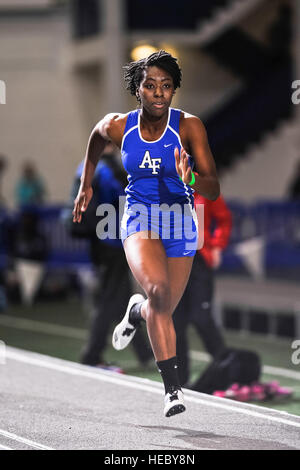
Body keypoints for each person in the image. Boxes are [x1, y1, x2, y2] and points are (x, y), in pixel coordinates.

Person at [73, 50, 220, 417]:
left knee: (162, 308)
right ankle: (172, 390)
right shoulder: (120, 126)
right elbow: (95, 137)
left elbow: (213, 188)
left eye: (166, 87)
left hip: (180, 222)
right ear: (137, 89)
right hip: (139, 217)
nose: (158, 93)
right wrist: (85, 185)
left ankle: (135, 312)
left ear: (173, 91)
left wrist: (188, 177)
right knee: (157, 290)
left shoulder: (189, 127)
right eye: (151, 85)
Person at [71, 144, 153, 369]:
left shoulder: (86, 167)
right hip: (113, 239)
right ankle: (91, 355)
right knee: (109, 298)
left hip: (99, 240)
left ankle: (145, 354)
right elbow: (126, 196)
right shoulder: (108, 169)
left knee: (122, 299)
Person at [173, 193, 232, 387]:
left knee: (202, 317)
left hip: (199, 260)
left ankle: (227, 370)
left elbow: (223, 218)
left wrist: (217, 246)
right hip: (172, 261)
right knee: (176, 323)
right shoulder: (161, 185)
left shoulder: (203, 187)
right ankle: (180, 381)